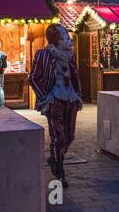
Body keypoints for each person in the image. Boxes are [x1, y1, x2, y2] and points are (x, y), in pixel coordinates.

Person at [29, 24, 82, 188]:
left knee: (70, 136)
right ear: (56, 38)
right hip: (54, 99)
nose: (68, 39)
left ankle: (54, 156)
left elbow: (75, 75)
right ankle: (59, 171)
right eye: (65, 36)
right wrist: (45, 96)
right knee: (59, 137)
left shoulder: (70, 55)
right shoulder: (43, 54)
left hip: (71, 99)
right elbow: (33, 77)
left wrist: (78, 93)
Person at [0, 40, 7, 107]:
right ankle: (1, 105)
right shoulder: (3, 54)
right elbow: (4, 67)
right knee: (1, 88)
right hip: (0, 74)